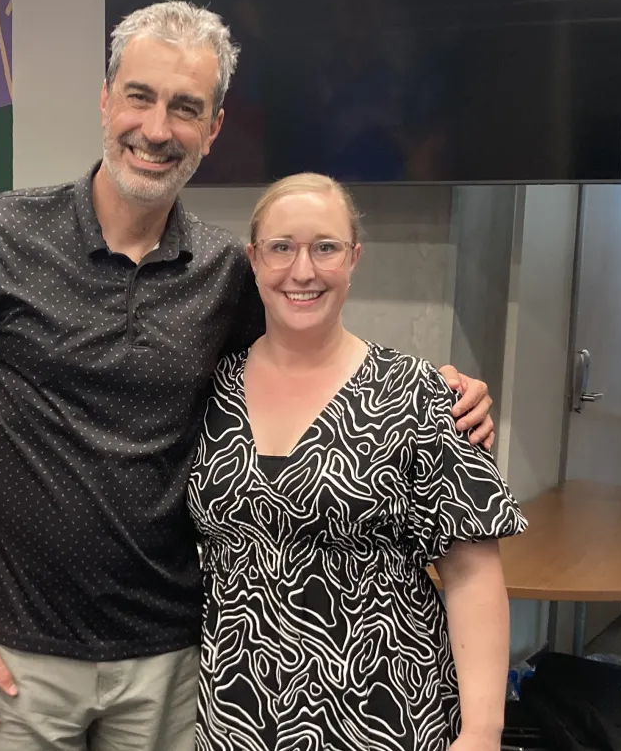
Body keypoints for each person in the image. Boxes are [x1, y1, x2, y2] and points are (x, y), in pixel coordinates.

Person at [0, 0, 498, 751]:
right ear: (105, 99)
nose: (157, 129)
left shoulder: (227, 275)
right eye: (141, 97)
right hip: (17, 653)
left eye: (187, 107)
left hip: (175, 659)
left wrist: (437, 391)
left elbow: (308, 360)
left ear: (214, 129)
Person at [188, 173, 527, 751]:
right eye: (281, 247)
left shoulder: (419, 395)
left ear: (354, 258)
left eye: (325, 247)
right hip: (235, 715)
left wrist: (482, 731)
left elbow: (473, 577)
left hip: (386, 713)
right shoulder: (206, 387)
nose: (303, 271)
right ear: (253, 259)